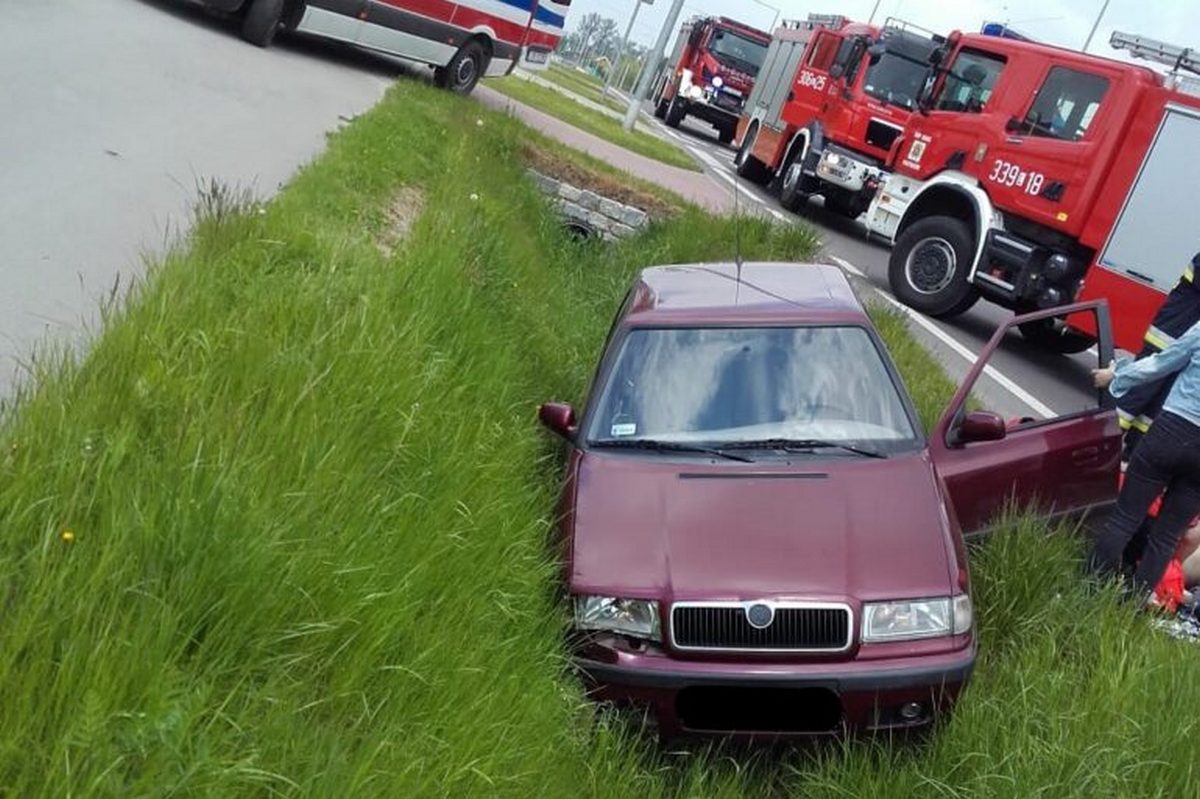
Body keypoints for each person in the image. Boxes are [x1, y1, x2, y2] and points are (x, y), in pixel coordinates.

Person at [1089, 317, 1200, 602]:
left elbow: (1162, 363)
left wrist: (1116, 376)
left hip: (1173, 430)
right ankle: (1134, 607)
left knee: (1124, 518)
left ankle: (1090, 589)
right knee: (1166, 537)